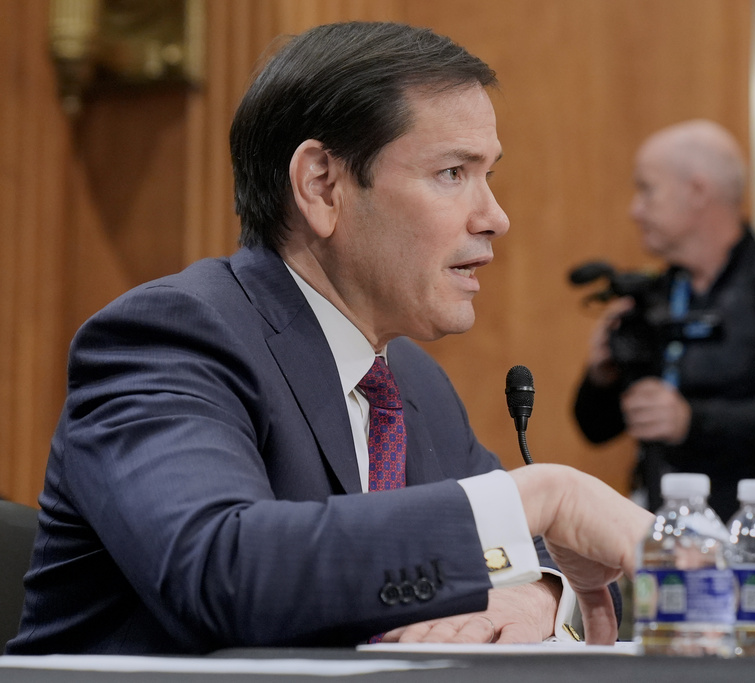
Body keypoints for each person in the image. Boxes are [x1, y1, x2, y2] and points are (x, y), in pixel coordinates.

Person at [8, 22, 652, 655]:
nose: (495, 217)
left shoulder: (410, 380)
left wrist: (537, 591)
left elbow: (552, 551)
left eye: (488, 175)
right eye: (453, 172)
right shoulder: (170, 337)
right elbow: (218, 569)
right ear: (321, 185)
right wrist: (538, 496)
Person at [573, 120, 755, 522]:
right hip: (669, 533)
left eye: (647, 189)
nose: (635, 210)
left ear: (698, 191)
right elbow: (595, 428)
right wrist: (602, 376)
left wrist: (691, 421)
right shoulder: (655, 295)